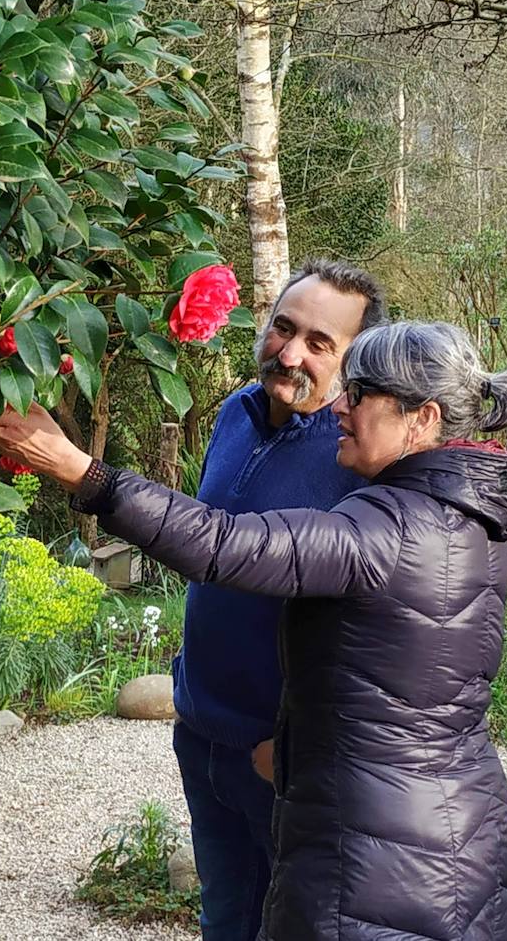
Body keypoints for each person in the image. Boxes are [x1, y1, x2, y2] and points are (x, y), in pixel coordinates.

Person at [0, 320, 507, 941]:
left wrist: (85, 474)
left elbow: (226, 545)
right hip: (448, 823)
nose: (342, 409)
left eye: (361, 395)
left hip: (377, 854)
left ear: (422, 417)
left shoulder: (392, 529)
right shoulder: (467, 516)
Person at [169, 260, 385, 941]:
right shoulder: (234, 412)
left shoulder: (355, 462)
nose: (290, 353)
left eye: (319, 343)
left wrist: (289, 747)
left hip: (275, 760)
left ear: (352, 363)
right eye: (282, 328)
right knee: (224, 917)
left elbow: (363, 633)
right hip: (201, 732)